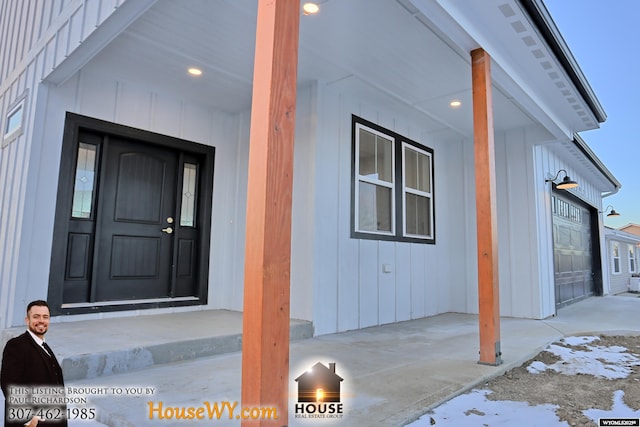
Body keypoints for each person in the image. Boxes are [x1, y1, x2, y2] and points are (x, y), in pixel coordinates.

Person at [1, 300, 67, 427]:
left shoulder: (44, 346)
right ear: (27, 320)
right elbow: (9, 385)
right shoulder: (16, 345)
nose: (41, 321)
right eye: (36, 317)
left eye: (45, 317)